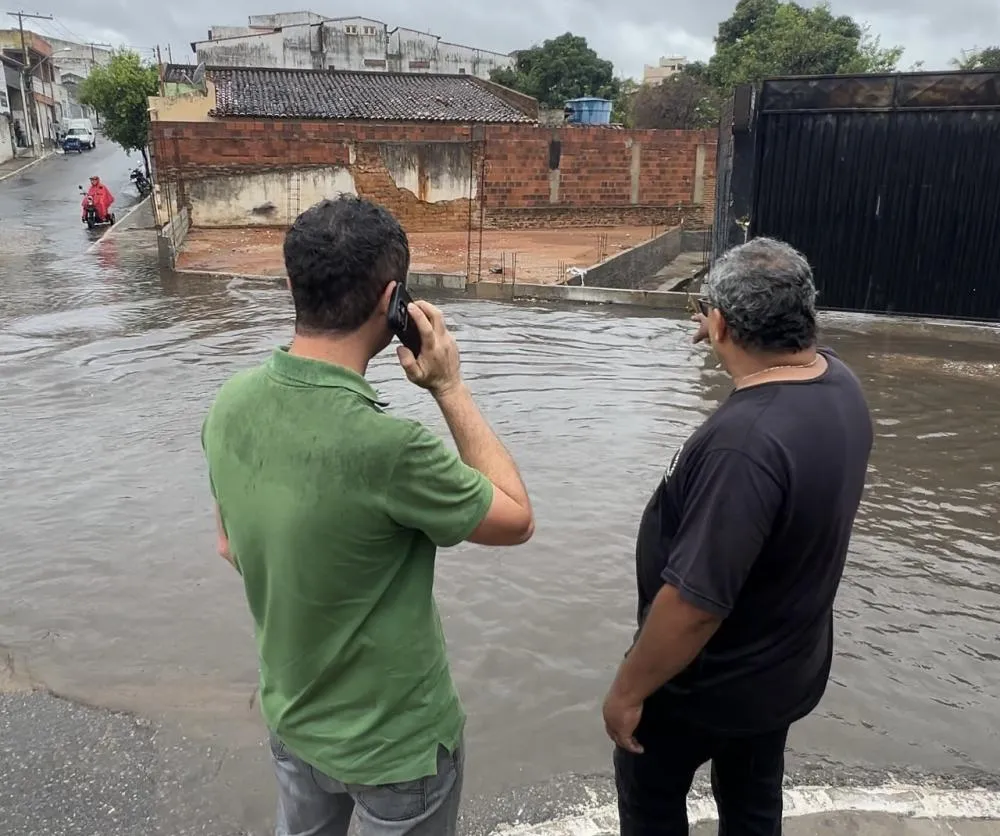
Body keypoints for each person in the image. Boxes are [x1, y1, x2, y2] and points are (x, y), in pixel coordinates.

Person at [201, 195, 534, 836]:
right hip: (397, 748)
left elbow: (229, 547)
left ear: (291, 284)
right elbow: (515, 518)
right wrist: (449, 387)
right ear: (394, 302)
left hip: (294, 720)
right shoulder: (392, 449)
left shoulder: (229, 405)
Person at [603, 237, 873, 835]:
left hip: (703, 685)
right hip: (780, 673)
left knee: (652, 806)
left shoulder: (744, 444)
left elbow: (695, 605)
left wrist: (626, 691)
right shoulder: (840, 385)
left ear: (722, 323)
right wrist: (725, 332)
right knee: (752, 807)